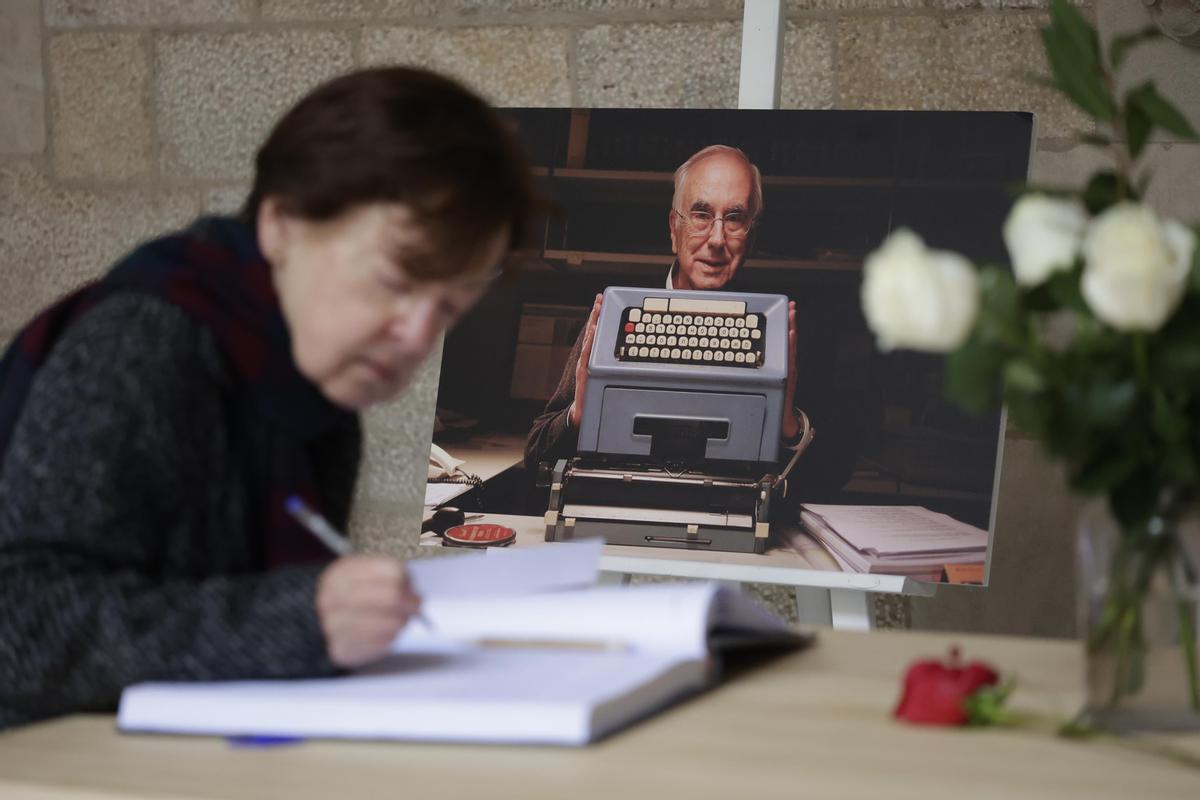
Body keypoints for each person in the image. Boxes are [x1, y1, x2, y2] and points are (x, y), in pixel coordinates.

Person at [0, 67, 541, 729]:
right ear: (281, 222)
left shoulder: (310, 383)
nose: (417, 337)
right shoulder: (145, 341)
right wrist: (300, 619)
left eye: (450, 308)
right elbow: (18, 624)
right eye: (396, 279)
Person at [523, 144, 807, 473]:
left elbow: (827, 479)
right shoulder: (615, 318)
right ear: (674, 228)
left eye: (734, 219)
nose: (717, 239)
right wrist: (578, 414)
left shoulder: (778, 334)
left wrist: (789, 429)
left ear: (751, 238)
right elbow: (536, 455)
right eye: (701, 215)